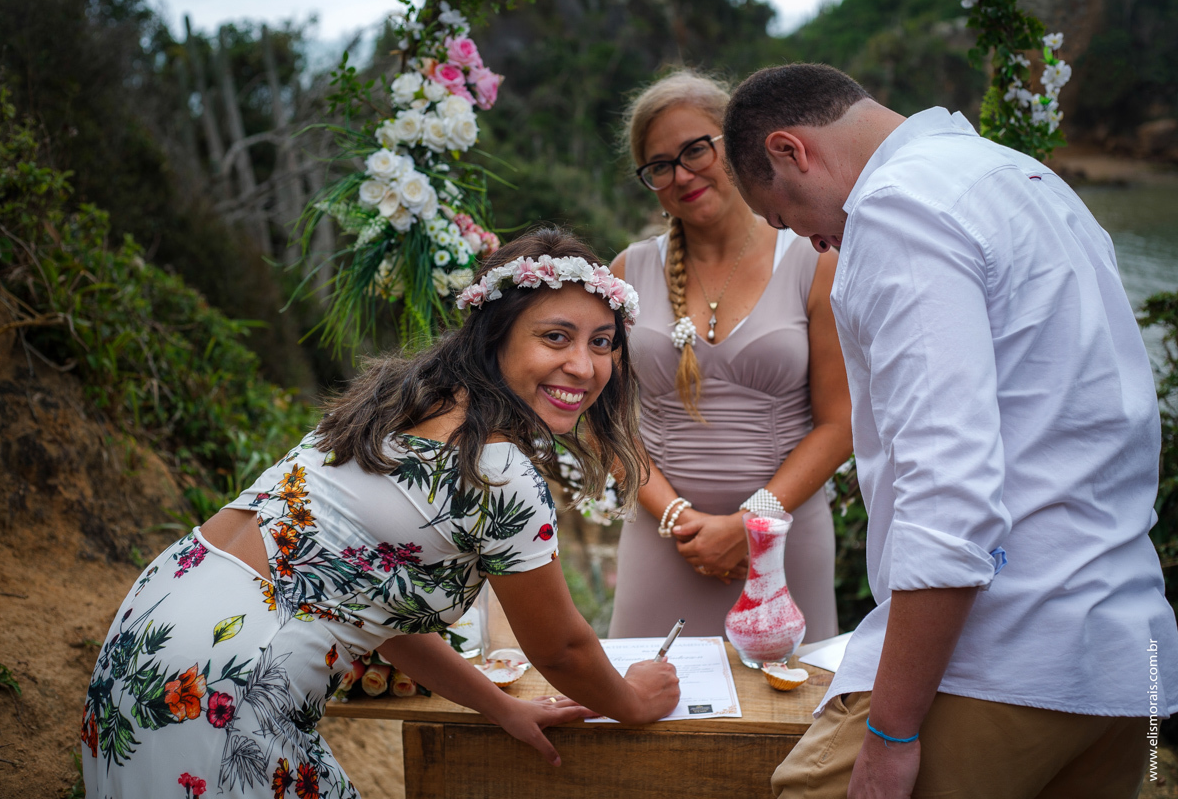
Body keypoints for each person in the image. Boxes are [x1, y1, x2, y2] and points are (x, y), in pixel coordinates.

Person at [80, 229, 680, 798]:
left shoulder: (398, 402)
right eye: (556, 337)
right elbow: (562, 650)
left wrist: (500, 705)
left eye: (602, 342)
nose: (584, 365)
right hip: (227, 675)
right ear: (493, 336)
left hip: (158, 625)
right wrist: (633, 701)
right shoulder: (497, 471)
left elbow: (382, 610)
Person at [721, 63, 1178, 798]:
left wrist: (893, 731)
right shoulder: (1026, 181)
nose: (808, 241)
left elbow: (948, 490)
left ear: (790, 151)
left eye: (783, 216)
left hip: (1005, 653)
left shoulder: (900, 209)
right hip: (1127, 657)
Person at [607, 70, 853, 642]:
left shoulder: (815, 262)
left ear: (735, 145)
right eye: (660, 165)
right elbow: (607, 420)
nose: (682, 174)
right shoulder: (627, 272)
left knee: (791, 717)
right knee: (646, 712)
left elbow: (840, 424)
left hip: (781, 540)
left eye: (696, 149)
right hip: (664, 539)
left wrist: (748, 523)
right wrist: (678, 519)